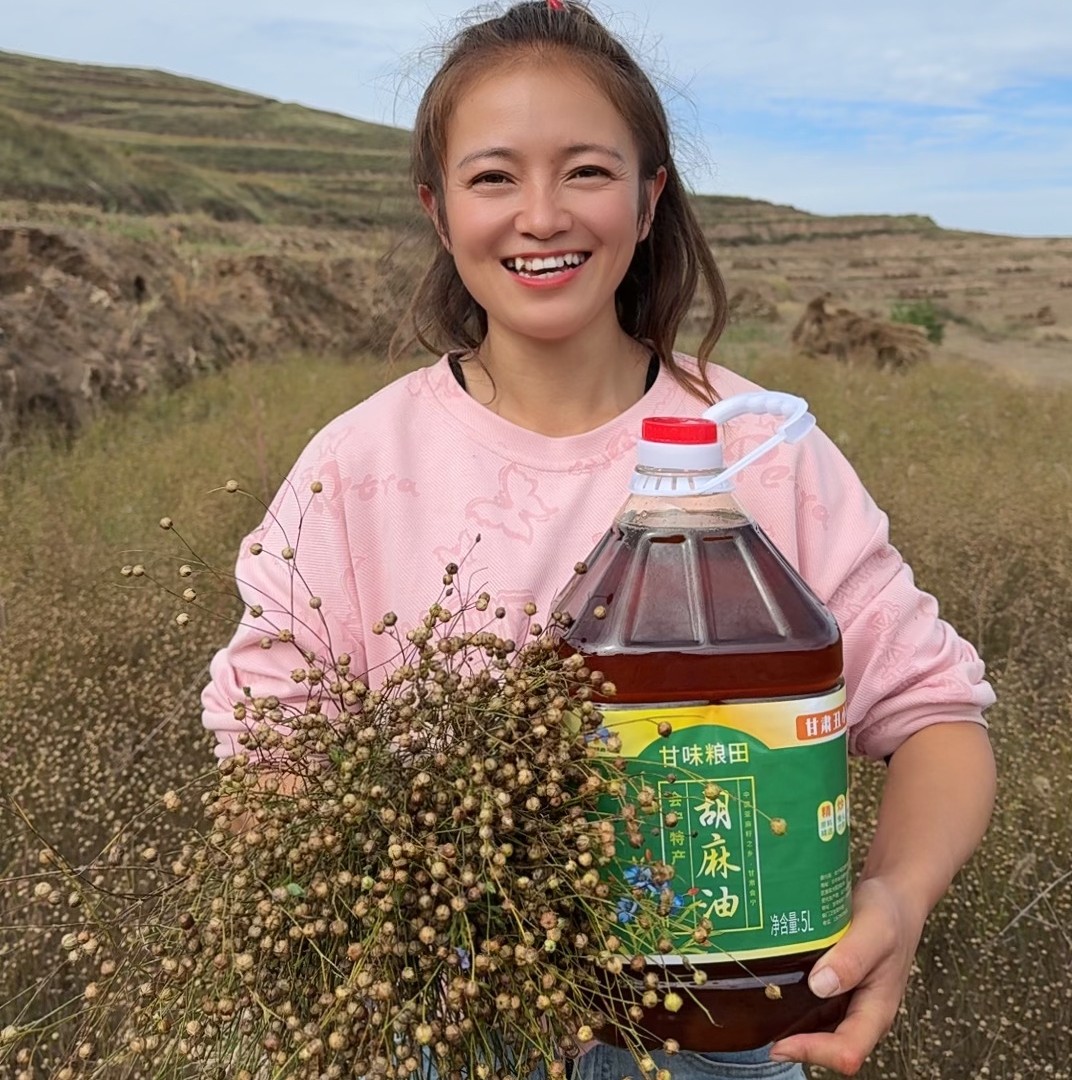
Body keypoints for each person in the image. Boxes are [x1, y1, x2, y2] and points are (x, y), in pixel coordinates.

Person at [201, 2, 997, 1076]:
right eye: (493, 178)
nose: (540, 215)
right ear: (438, 211)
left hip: (731, 1036)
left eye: (585, 170)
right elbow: (266, 755)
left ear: (649, 195)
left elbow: (938, 717)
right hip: (457, 1025)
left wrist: (896, 898)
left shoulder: (759, 448)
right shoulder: (357, 468)